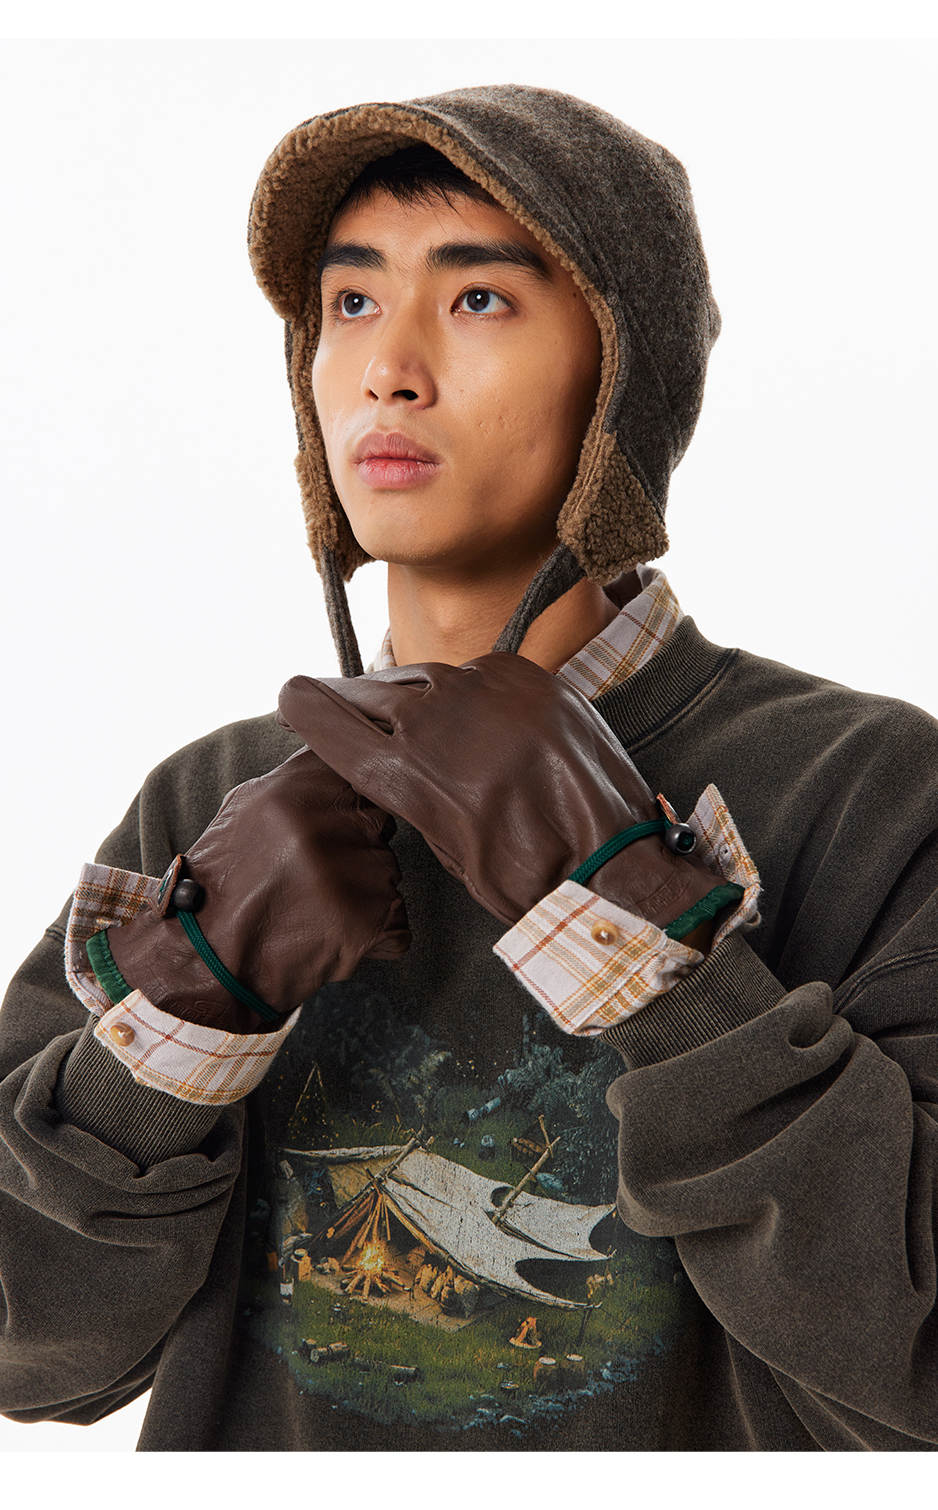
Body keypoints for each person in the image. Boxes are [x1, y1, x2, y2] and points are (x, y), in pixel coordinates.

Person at [0, 82, 935, 1453]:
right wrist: (177, 1022)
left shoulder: (870, 790)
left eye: (479, 298)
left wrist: (649, 943)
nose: (388, 368)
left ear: (623, 383)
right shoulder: (208, 803)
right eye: (351, 303)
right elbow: (30, 1353)